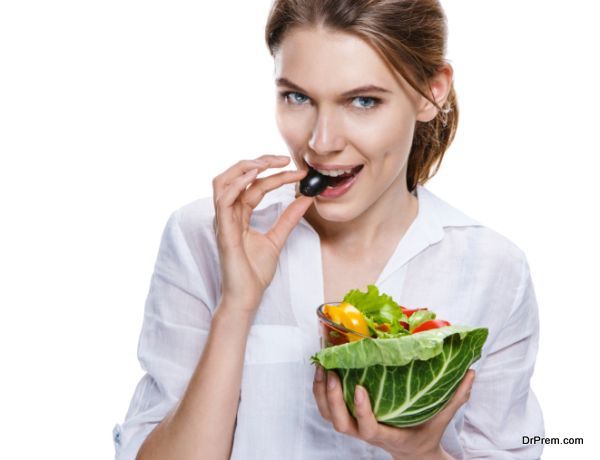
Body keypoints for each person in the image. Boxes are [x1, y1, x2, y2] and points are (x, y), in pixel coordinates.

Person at [113, 1, 544, 458]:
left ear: (430, 92)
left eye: (363, 101)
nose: (321, 143)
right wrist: (236, 306)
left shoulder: (494, 270)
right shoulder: (204, 236)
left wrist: (420, 454)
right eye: (297, 97)